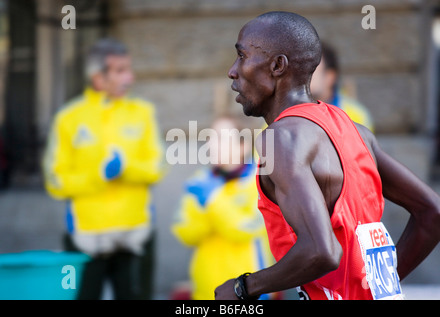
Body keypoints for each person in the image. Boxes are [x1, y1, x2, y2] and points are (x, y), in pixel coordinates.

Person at [215, 11, 440, 300]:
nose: (233, 71)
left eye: (242, 56)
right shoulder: (356, 131)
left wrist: (243, 287)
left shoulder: (280, 139)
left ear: (277, 66)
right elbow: (432, 213)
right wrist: (378, 285)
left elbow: (321, 251)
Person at [43, 38, 165, 300]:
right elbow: (55, 180)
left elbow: (157, 167)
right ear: (97, 77)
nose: (129, 78)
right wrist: (97, 176)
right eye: (120, 70)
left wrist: (126, 168)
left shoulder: (142, 112)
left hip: (135, 236)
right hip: (85, 238)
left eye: (129, 69)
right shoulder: (68, 118)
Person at [172, 114, 274, 300]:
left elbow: (246, 229)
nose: (211, 145)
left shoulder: (259, 182)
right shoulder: (201, 180)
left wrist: (213, 202)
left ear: (243, 146)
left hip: (250, 291)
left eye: (221, 138)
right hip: (205, 290)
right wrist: (214, 213)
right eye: (210, 137)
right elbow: (184, 232)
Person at [310, 42, 374, 131]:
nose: (304, 74)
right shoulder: (290, 109)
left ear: (330, 76)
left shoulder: (355, 115)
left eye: (312, 69)